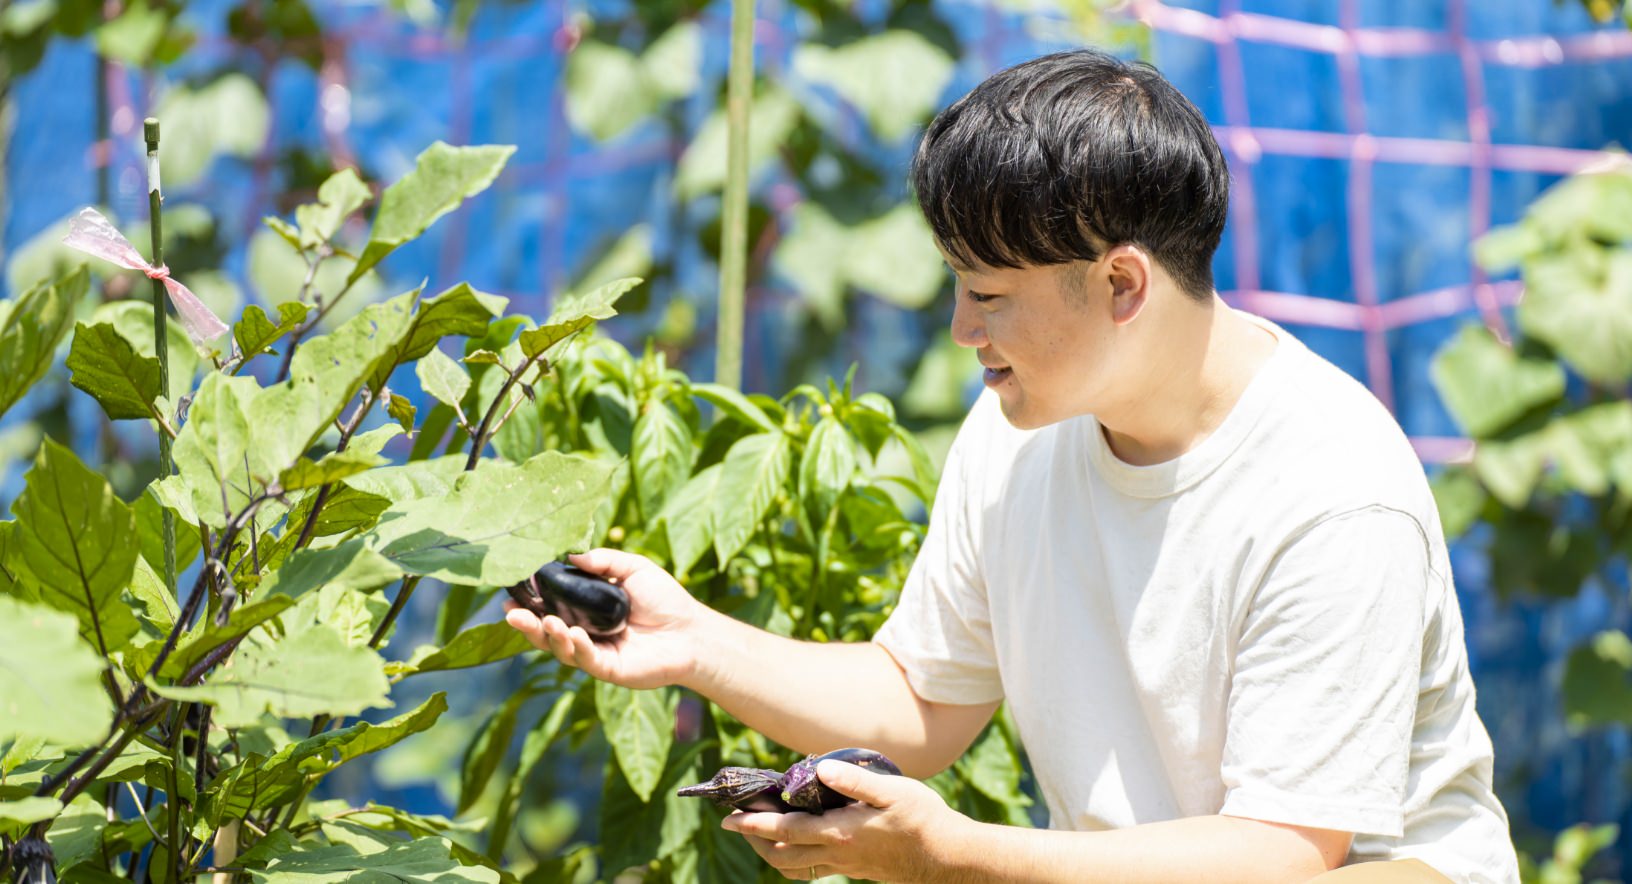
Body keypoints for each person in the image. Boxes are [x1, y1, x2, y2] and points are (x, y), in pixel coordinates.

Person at [506, 49, 1520, 883]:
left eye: (988, 294)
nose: (960, 328)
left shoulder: (1331, 492)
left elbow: (1284, 849)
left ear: (1122, 281)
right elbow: (922, 700)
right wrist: (694, 642)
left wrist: (951, 854)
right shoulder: (1021, 427)